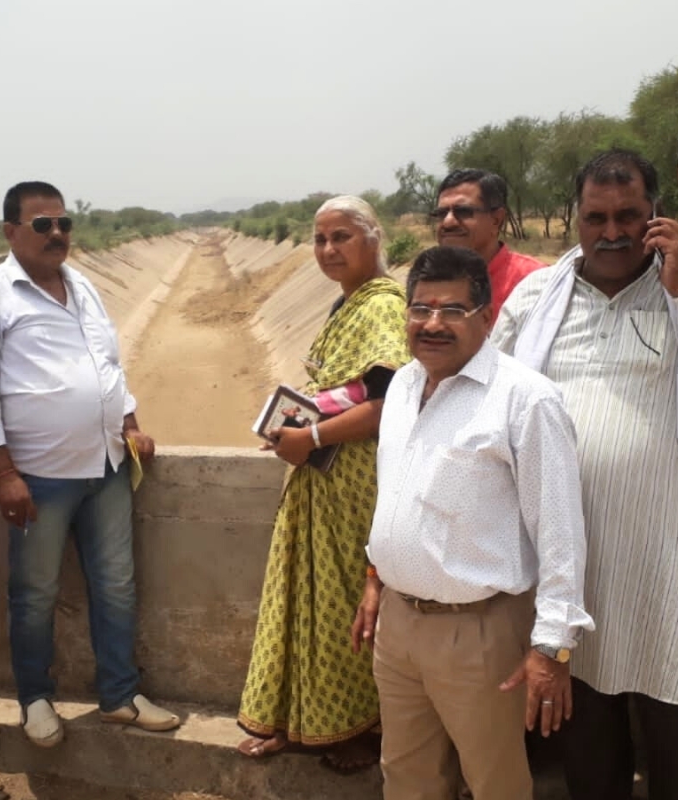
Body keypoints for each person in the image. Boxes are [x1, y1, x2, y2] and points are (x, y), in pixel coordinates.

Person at [492, 150, 678, 800]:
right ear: (574, 220)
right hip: (569, 575)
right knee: (588, 749)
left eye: (628, 215)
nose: (612, 232)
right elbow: (486, 400)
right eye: (595, 218)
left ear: (657, 215)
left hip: (668, 567)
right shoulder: (536, 298)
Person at [352, 245, 592, 800]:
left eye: (453, 310)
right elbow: (397, 494)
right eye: (421, 309)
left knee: (494, 782)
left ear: (485, 318)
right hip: (399, 625)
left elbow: (561, 531)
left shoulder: (524, 400)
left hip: (480, 632)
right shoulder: (404, 386)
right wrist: (375, 578)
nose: (433, 324)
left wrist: (552, 648)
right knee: (406, 777)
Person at [0, 181, 179, 747]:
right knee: (34, 593)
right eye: (42, 225)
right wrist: (4, 475)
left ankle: (120, 697)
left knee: (117, 586)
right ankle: (35, 699)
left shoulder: (83, 287)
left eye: (63, 223)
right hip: (39, 476)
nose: (57, 234)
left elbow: (107, 366)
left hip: (107, 468)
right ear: (11, 232)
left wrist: (129, 424)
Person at [237, 195, 410, 772]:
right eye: (320, 239)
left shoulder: (381, 306)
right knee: (314, 606)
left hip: (354, 485)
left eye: (342, 237)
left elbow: (385, 403)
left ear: (374, 238)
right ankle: (308, 723)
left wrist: (310, 438)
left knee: (345, 612)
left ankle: (361, 730)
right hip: (325, 480)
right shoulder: (349, 302)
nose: (329, 249)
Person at [430, 169, 546, 310]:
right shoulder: (429, 281)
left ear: (496, 220)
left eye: (463, 212)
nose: (448, 222)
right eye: (441, 214)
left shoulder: (536, 281)